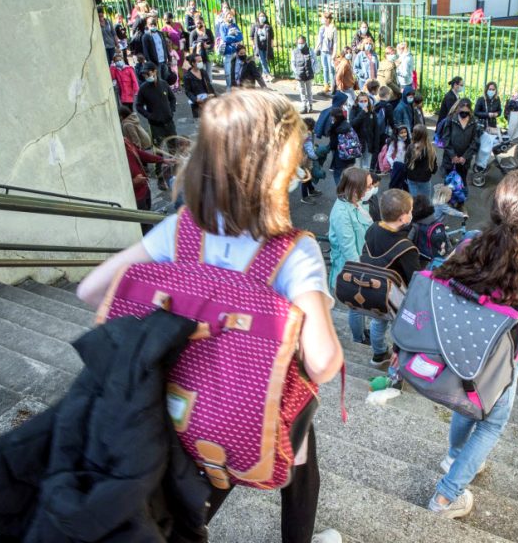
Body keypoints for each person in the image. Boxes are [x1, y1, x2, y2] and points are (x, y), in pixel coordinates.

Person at [76, 91, 344, 543]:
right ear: (277, 169)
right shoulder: (293, 251)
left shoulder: (180, 228)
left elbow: (91, 290)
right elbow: (322, 363)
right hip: (244, 404)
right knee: (288, 452)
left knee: (201, 485)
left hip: (180, 400)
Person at [428, 170, 518, 518]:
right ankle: (446, 496)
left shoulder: (470, 241)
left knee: (464, 404)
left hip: (456, 347)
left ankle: (453, 455)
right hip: (498, 367)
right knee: (490, 422)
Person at [364, 189, 421, 367]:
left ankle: (379, 354)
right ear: (403, 218)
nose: (412, 213)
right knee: (400, 328)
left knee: (377, 322)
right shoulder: (405, 247)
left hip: (375, 289)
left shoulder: (373, 229)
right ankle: (398, 362)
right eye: (410, 210)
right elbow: (415, 279)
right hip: (396, 296)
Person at [329, 167, 375, 347]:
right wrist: (363, 276)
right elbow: (349, 250)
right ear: (356, 189)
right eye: (369, 186)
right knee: (357, 307)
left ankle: (361, 332)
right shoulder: (342, 214)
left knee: (360, 307)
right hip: (353, 269)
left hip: (361, 263)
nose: (371, 188)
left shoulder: (355, 203)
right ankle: (359, 338)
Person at [135, 62, 177, 189]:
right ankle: (160, 178)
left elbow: (172, 98)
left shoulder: (164, 84)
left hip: (169, 123)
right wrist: (149, 116)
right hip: (155, 125)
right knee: (158, 153)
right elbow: (138, 106)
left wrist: (171, 110)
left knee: (173, 148)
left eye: (148, 73)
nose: (146, 76)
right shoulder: (143, 88)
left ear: (155, 71)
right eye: (144, 74)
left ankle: (175, 174)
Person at [440, 98, 480, 191]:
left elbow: (475, 142)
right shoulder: (450, 119)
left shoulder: (474, 122)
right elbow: (446, 139)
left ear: (470, 110)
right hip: (450, 160)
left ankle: (460, 202)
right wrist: (453, 155)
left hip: (464, 161)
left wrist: (465, 157)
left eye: (466, 112)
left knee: (462, 183)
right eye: (462, 111)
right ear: (458, 109)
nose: (464, 113)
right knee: (449, 184)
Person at [328, 107, 358, 185]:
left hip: (340, 156)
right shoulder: (348, 125)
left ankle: (340, 194)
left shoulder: (335, 128)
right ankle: (350, 192)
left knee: (337, 174)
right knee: (349, 175)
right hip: (351, 154)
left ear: (334, 117)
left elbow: (333, 145)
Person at [406, 123, 436, 199]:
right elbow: (434, 167)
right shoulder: (430, 149)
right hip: (425, 179)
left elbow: (406, 163)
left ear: (415, 135)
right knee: (426, 200)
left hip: (411, 178)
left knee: (414, 200)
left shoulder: (410, 147)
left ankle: (414, 210)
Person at [183, 54, 215, 119]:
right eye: (199, 61)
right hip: (197, 104)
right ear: (193, 63)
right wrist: (195, 99)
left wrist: (213, 95)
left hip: (208, 101)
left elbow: (209, 85)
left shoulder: (203, 72)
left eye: (201, 61)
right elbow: (187, 91)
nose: (201, 63)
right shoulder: (187, 76)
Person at [350, 92, 377, 169]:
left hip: (368, 142)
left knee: (367, 166)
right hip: (357, 142)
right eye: (361, 101)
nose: (364, 103)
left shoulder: (371, 111)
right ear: (357, 102)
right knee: (358, 165)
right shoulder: (354, 110)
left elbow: (376, 129)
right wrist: (362, 113)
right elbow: (352, 124)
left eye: (365, 101)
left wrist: (376, 145)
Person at [300, 118, 323, 205]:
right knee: (305, 178)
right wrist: (316, 157)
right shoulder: (307, 135)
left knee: (308, 175)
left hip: (300, 158)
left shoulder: (300, 132)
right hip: (304, 160)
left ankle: (311, 190)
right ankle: (304, 197)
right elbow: (310, 151)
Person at [218, 9, 243, 90]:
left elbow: (241, 37)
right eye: (229, 17)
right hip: (227, 52)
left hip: (236, 51)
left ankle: (236, 86)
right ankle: (228, 87)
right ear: (225, 17)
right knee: (228, 72)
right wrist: (234, 38)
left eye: (231, 17)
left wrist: (232, 38)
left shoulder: (235, 25)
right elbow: (225, 38)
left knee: (237, 71)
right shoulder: (222, 26)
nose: (230, 18)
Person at [141, 16, 171, 82]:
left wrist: (169, 58)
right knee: (158, 79)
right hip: (155, 62)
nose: (153, 26)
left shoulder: (160, 33)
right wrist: (150, 63)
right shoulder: (146, 36)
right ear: (147, 25)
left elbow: (165, 46)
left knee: (165, 77)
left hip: (164, 60)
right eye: (151, 24)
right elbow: (146, 51)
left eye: (154, 24)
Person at [292, 35, 316, 114]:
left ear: (305, 43)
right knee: (302, 91)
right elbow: (293, 63)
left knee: (309, 91)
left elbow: (314, 61)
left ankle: (311, 106)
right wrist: (296, 72)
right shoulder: (294, 51)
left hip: (308, 73)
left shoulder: (310, 50)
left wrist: (314, 70)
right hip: (300, 75)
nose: (300, 44)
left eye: (302, 43)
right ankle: (304, 106)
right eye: (299, 43)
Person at [316, 12, 337, 94]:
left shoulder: (333, 29)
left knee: (331, 70)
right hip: (323, 51)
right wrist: (315, 49)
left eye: (323, 18)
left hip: (330, 52)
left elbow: (335, 42)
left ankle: (333, 86)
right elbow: (319, 40)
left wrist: (334, 53)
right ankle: (326, 85)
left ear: (328, 19)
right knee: (325, 69)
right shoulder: (322, 28)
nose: (322, 20)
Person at [250, 12, 275, 82]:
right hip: (258, 46)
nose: (262, 17)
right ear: (258, 17)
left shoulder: (268, 26)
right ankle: (268, 74)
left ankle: (264, 76)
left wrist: (272, 45)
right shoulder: (254, 26)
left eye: (263, 16)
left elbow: (272, 37)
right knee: (262, 60)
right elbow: (251, 36)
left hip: (266, 46)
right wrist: (253, 45)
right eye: (260, 16)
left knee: (265, 60)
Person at [189, 16, 215, 84]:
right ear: (195, 23)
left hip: (210, 54)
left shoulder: (208, 31)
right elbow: (191, 47)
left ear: (203, 22)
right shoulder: (193, 33)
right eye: (197, 23)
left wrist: (208, 46)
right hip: (199, 56)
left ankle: (210, 88)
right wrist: (197, 46)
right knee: (202, 72)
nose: (199, 25)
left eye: (200, 23)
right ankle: (204, 88)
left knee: (209, 72)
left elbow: (213, 43)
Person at [386, 124, 410, 191]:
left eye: (405, 132)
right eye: (401, 133)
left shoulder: (409, 142)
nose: (404, 134)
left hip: (406, 167)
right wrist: (393, 164)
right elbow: (388, 155)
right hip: (397, 167)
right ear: (397, 134)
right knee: (395, 185)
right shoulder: (394, 143)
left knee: (406, 185)